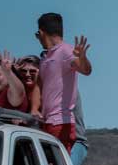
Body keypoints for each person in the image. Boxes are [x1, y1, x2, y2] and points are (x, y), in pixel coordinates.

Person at [35, 12, 92, 152]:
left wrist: (83, 58)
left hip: (62, 123)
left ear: (41, 33)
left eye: (37, 35)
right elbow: (40, 85)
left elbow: (86, 70)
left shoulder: (66, 51)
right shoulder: (46, 57)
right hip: (47, 122)